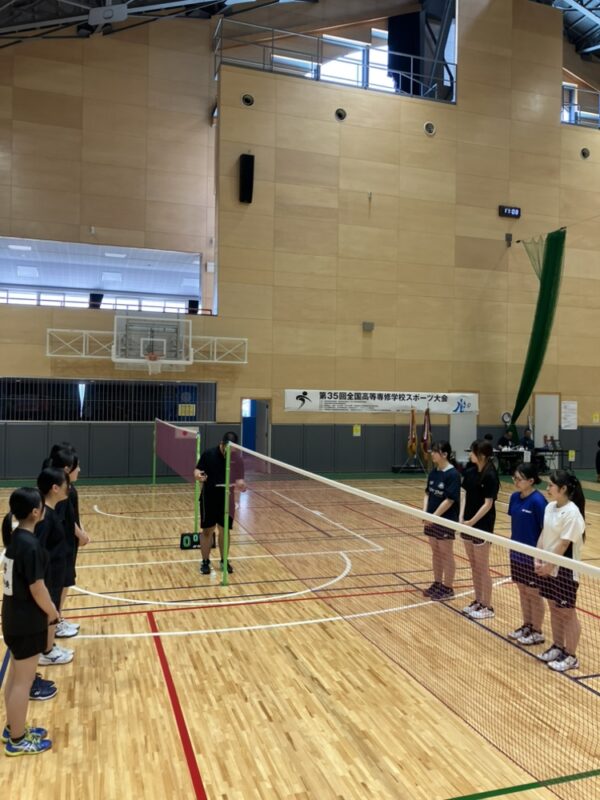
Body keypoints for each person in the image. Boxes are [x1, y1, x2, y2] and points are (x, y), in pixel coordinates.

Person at [2, 488, 56, 756]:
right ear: (36, 512)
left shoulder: (16, 538)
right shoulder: (30, 546)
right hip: (26, 623)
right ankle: (18, 740)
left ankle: (12, 727)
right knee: (22, 683)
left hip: (13, 618)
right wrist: (53, 612)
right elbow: (37, 588)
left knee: (14, 678)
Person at [534, 469, 586, 672]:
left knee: (567, 613)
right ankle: (557, 646)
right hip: (548, 566)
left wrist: (549, 564)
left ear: (563, 489)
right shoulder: (550, 507)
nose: (547, 488)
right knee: (554, 608)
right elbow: (544, 533)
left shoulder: (573, 513)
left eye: (551, 485)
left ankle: (571, 656)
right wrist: (537, 556)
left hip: (564, 570)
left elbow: (564, 544)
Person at [193, 432, 246, 576]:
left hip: (227, 499)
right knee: (207, 531)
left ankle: (224, 560)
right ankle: (205, 562)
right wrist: (198, 475)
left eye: (232, 449)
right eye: (226, 448)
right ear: (221, 443)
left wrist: (242, 485)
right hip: (209, 498)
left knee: (224, 530)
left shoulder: (237, 459)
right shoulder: (208, 454)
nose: (229, 451)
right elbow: (197, 470)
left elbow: (240, 480)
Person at [36, 468, 74, 666]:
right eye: (66, 484)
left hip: (55, 574)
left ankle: (49, 646)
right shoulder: (45, 517)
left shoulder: (51, 512)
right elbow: (39, 549)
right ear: (55, 488)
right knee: (49, 613)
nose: (69, 488)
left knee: (52, 612)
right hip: (49, 576)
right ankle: (46, 651)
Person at [507, 463, 547, 645]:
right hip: (516, 553)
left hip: (532, 556)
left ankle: (537, 631)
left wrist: (540, 555)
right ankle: (527, 625)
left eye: (519, 479)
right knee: (523, 591)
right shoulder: (514, 497)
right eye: (514, 478)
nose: (516, 482)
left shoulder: (538, 501)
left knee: (534, 593)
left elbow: (545, 529)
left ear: (531, 481)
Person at [459, 441, 500, 619]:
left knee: (482, 567)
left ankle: (487, 606)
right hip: (466, 523)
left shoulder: (490, 475)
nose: (470, 454)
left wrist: (472, 522)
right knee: (474, 565)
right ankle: (478, 600)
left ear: (481, 455)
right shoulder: (470, 472)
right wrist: (461, 518)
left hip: (482, 526)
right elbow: (464, 495)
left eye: (473, 452)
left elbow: (488, 504)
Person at [422, 441, 461, 600]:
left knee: (446, 553)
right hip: (431, 520)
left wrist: (434, 516)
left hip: (445, 520)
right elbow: (427, 493)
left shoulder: (453, 474)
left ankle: (448, 587)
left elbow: (450, 500)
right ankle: (438, 583)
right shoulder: (434, 472)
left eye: (435, 451)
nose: (432, 454)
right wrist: (425, 513)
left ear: (444, 454)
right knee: (436, 552)